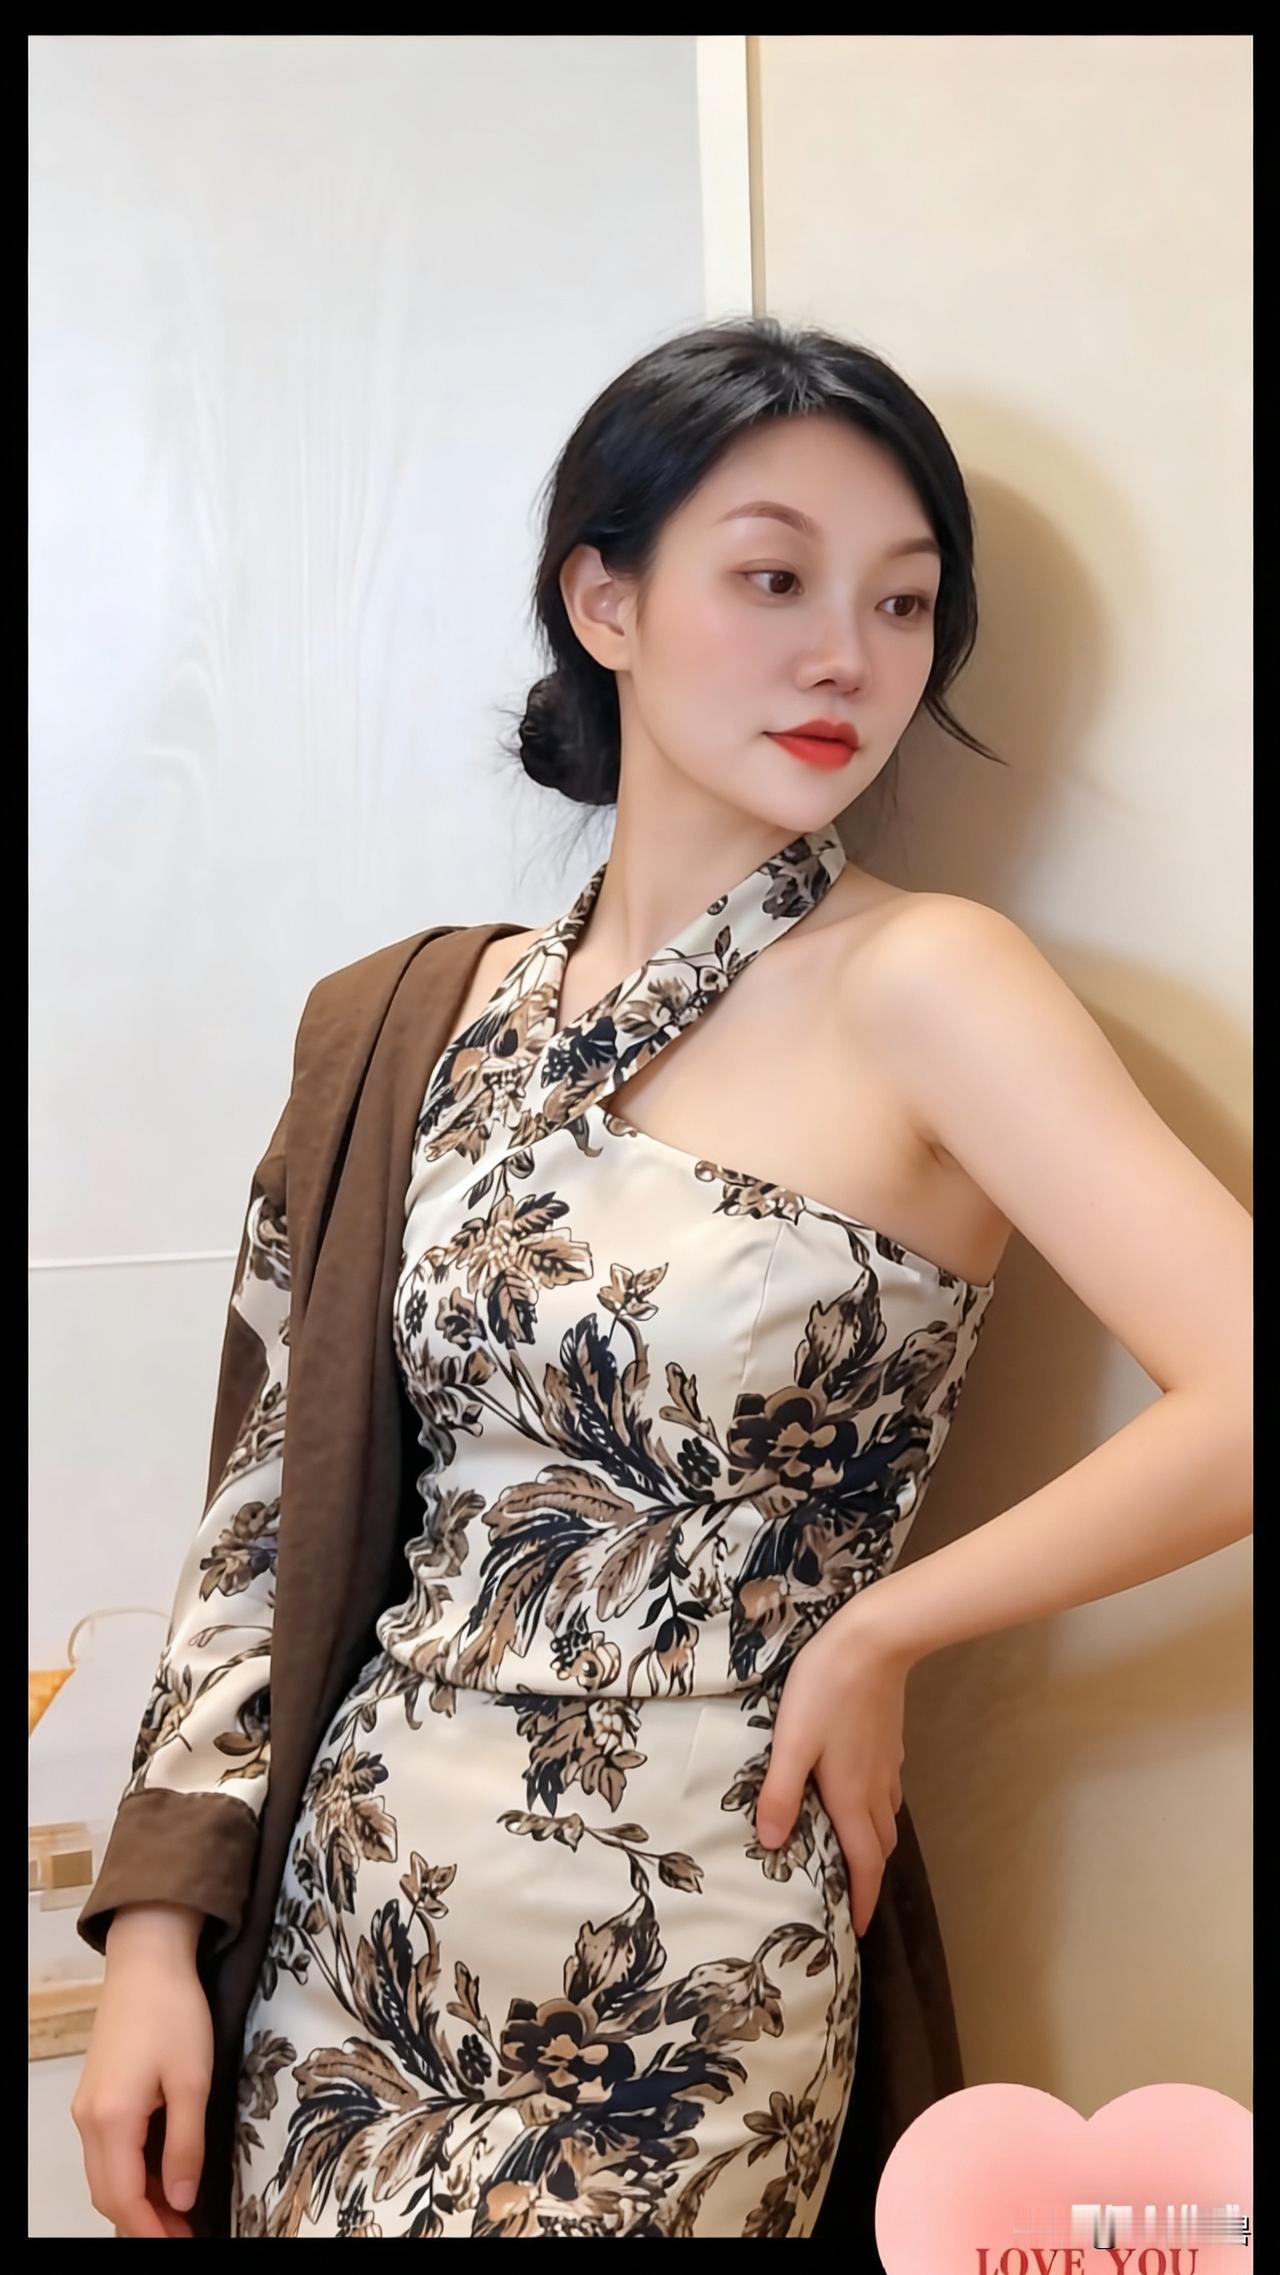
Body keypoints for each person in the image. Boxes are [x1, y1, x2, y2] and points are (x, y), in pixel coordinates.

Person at [71, 317, 1252, 2240]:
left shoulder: (929, 983)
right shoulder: (413, 1017)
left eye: (902, 603)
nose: (847, 656)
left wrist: (880, 1634)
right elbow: (265, 1515)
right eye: (774, 579)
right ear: (603, 600)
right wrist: (152, 1937)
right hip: (343, 1916)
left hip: (681, 1959)